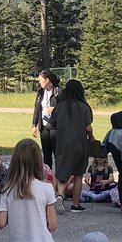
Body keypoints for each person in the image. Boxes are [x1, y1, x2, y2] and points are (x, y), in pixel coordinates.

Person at [50, 78, 93, 211]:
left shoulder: (60, 106)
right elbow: (88, 128)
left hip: (62, 144)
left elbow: (49, 126)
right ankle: (75, 204)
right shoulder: (84, 107)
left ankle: (60, 197)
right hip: (80, 145)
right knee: (78, 174)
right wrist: (91, 138)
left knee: (63, 173)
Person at [31, 69, 62, 169]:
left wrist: (55, 109)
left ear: (47, 80)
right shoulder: (40, 92)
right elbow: (37, 108)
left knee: (57, 153)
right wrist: (34, 125)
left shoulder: (59, 91)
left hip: (55, 127)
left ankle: (60, 177)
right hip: (44, 126)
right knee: (46, 153)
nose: (39, 82)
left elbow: (65, 108)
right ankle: (48, 177)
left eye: (40, 80)